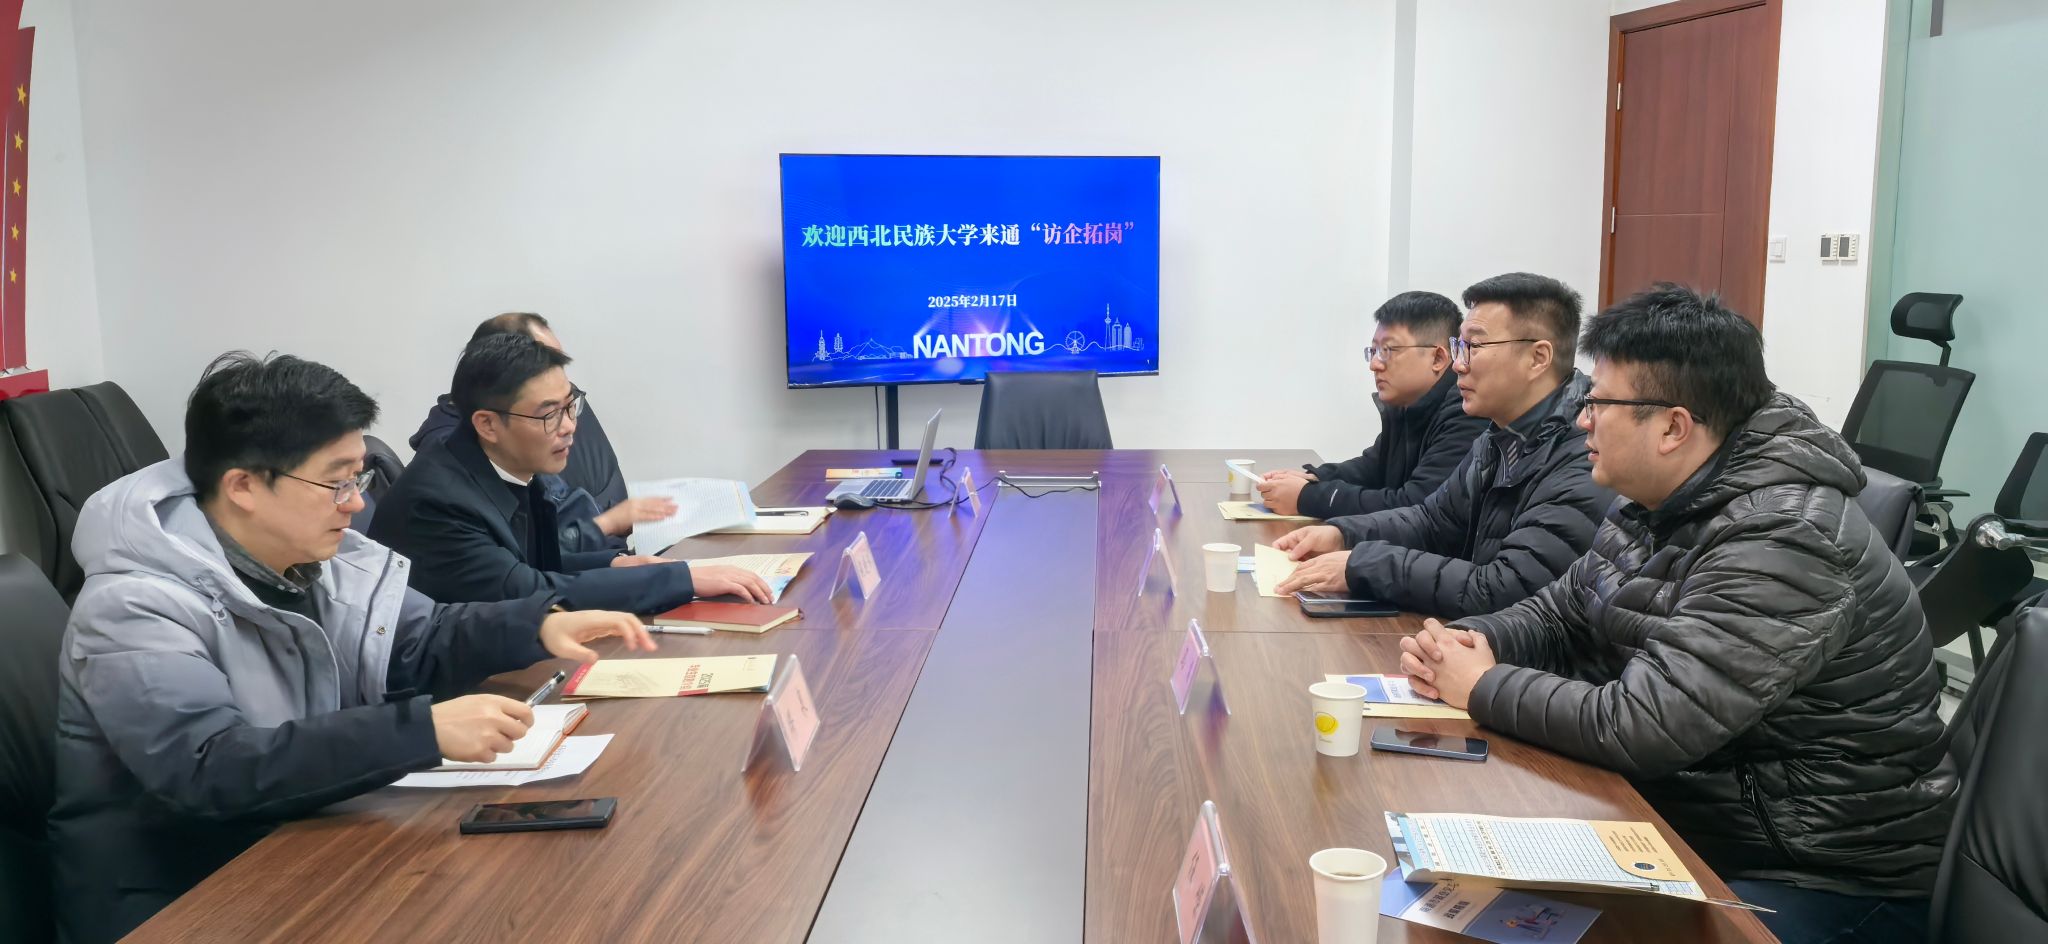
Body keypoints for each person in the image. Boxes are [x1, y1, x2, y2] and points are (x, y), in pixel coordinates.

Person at [1397, 285, 1956, 944]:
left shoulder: (1783, 538)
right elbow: (1562, 611)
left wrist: (1482, 685)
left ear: (1673, 427)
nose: (1581, 419)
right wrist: (1469, 642)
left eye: (1598, 402)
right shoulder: (1661, 495)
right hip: (1697, 820)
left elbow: (1646, 723)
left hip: (1818, 875)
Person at [49, 352, 658, 944]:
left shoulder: (310, 558)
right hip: (181, 896)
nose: (357, 502)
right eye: (336, 481)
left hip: (298, 847)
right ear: (243, 486)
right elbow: (210, 766)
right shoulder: (133, 608)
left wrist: (537, 625)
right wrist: (422, 730)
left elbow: (422, 636)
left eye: (358, 477)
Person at [1275, 272, 1609, 618]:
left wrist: (1365, 564)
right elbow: (1431, 521)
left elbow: (1504, 588)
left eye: (1473, 347)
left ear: (1538, 358)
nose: (1458, 364)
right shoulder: (1498, 437)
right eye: (1459, 347)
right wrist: (1342, 533)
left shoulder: (1585, 455)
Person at [370, 333, 771, 611]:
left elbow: (536, 565)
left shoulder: (517, 464)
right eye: (549, 414)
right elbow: (527, 591)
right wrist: (682, 579)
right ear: (488, 424)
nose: (568, 426)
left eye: (570, 405)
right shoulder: (438, 502)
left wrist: (615, 565)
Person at [412, 312, 673, 547]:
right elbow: (526, 562)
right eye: (544, 361)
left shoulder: (545, 419)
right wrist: (608, 525)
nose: (569, 425)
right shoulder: (458, 457)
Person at [1256, 290, 1487, 518]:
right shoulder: (1407, 404)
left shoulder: (1465, 413)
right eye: (1374, 351)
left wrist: (1308, 497)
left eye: (1388, 350)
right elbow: (1373, 467)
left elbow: (1415, 506)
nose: (1374, 364)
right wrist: (1316, 478)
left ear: (1437, 358)